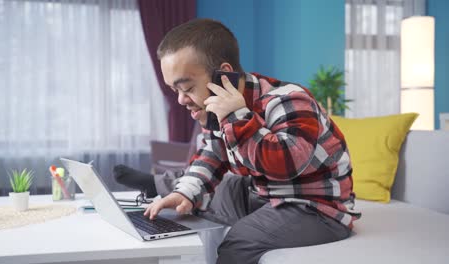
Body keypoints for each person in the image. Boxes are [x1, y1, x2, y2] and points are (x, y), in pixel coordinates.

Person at [114, 18, 361, 264]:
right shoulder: (215, 109)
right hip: (264, 193)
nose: (180, 100)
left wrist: (236, 117)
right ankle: (169, 188)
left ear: (225, 76)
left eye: (187, 88)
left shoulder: (289, 101)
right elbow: (211, 155)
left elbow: (287, 165)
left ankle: (167, 187)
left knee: (239, 241)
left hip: (314, 207)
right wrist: (187, 192)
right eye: (174, 90)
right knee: (213, 191)